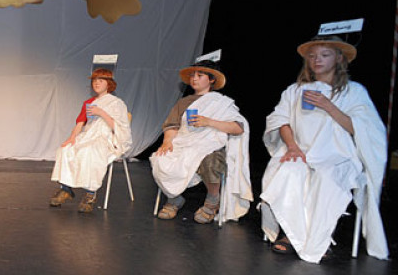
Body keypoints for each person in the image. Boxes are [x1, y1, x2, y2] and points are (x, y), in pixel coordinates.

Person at [259, 35, 387, 262]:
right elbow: (280, 120)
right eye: (312, 55)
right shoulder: (295, 90)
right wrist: (292, 147)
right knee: (289, 172)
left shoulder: (354, 92)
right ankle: (290, 235)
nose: (317, 60)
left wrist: (328, 106)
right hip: (299, 149)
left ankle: (321, 237)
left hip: (337, 155)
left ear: (339, 58)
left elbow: (361, 129)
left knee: (327, 180)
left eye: (324, 55)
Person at [150, 59, 252, 223]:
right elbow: (172, 125)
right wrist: (167, 141)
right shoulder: (183, 102)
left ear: (211, 80)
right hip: (184, 143)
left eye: (200, 75)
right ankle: (174, 198)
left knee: (210, 160)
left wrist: (209, 122)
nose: (194, 78)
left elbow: (238, 128)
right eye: (192, 75)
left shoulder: (221, 102)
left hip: (209, 145)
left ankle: (212, 201)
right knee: (160, 158)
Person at [49, 68, 132, 212]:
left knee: (91, 151)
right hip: (88, 135)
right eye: (94, 80)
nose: (96, 83)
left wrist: (102, 113)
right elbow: (80, 123)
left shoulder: (117, 103)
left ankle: (90, 194)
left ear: (109, 84)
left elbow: (119, 127)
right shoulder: (89, 102)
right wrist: (72, 138)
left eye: (101, 80)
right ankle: (66, 189)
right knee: (65, 149)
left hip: (106, 137)